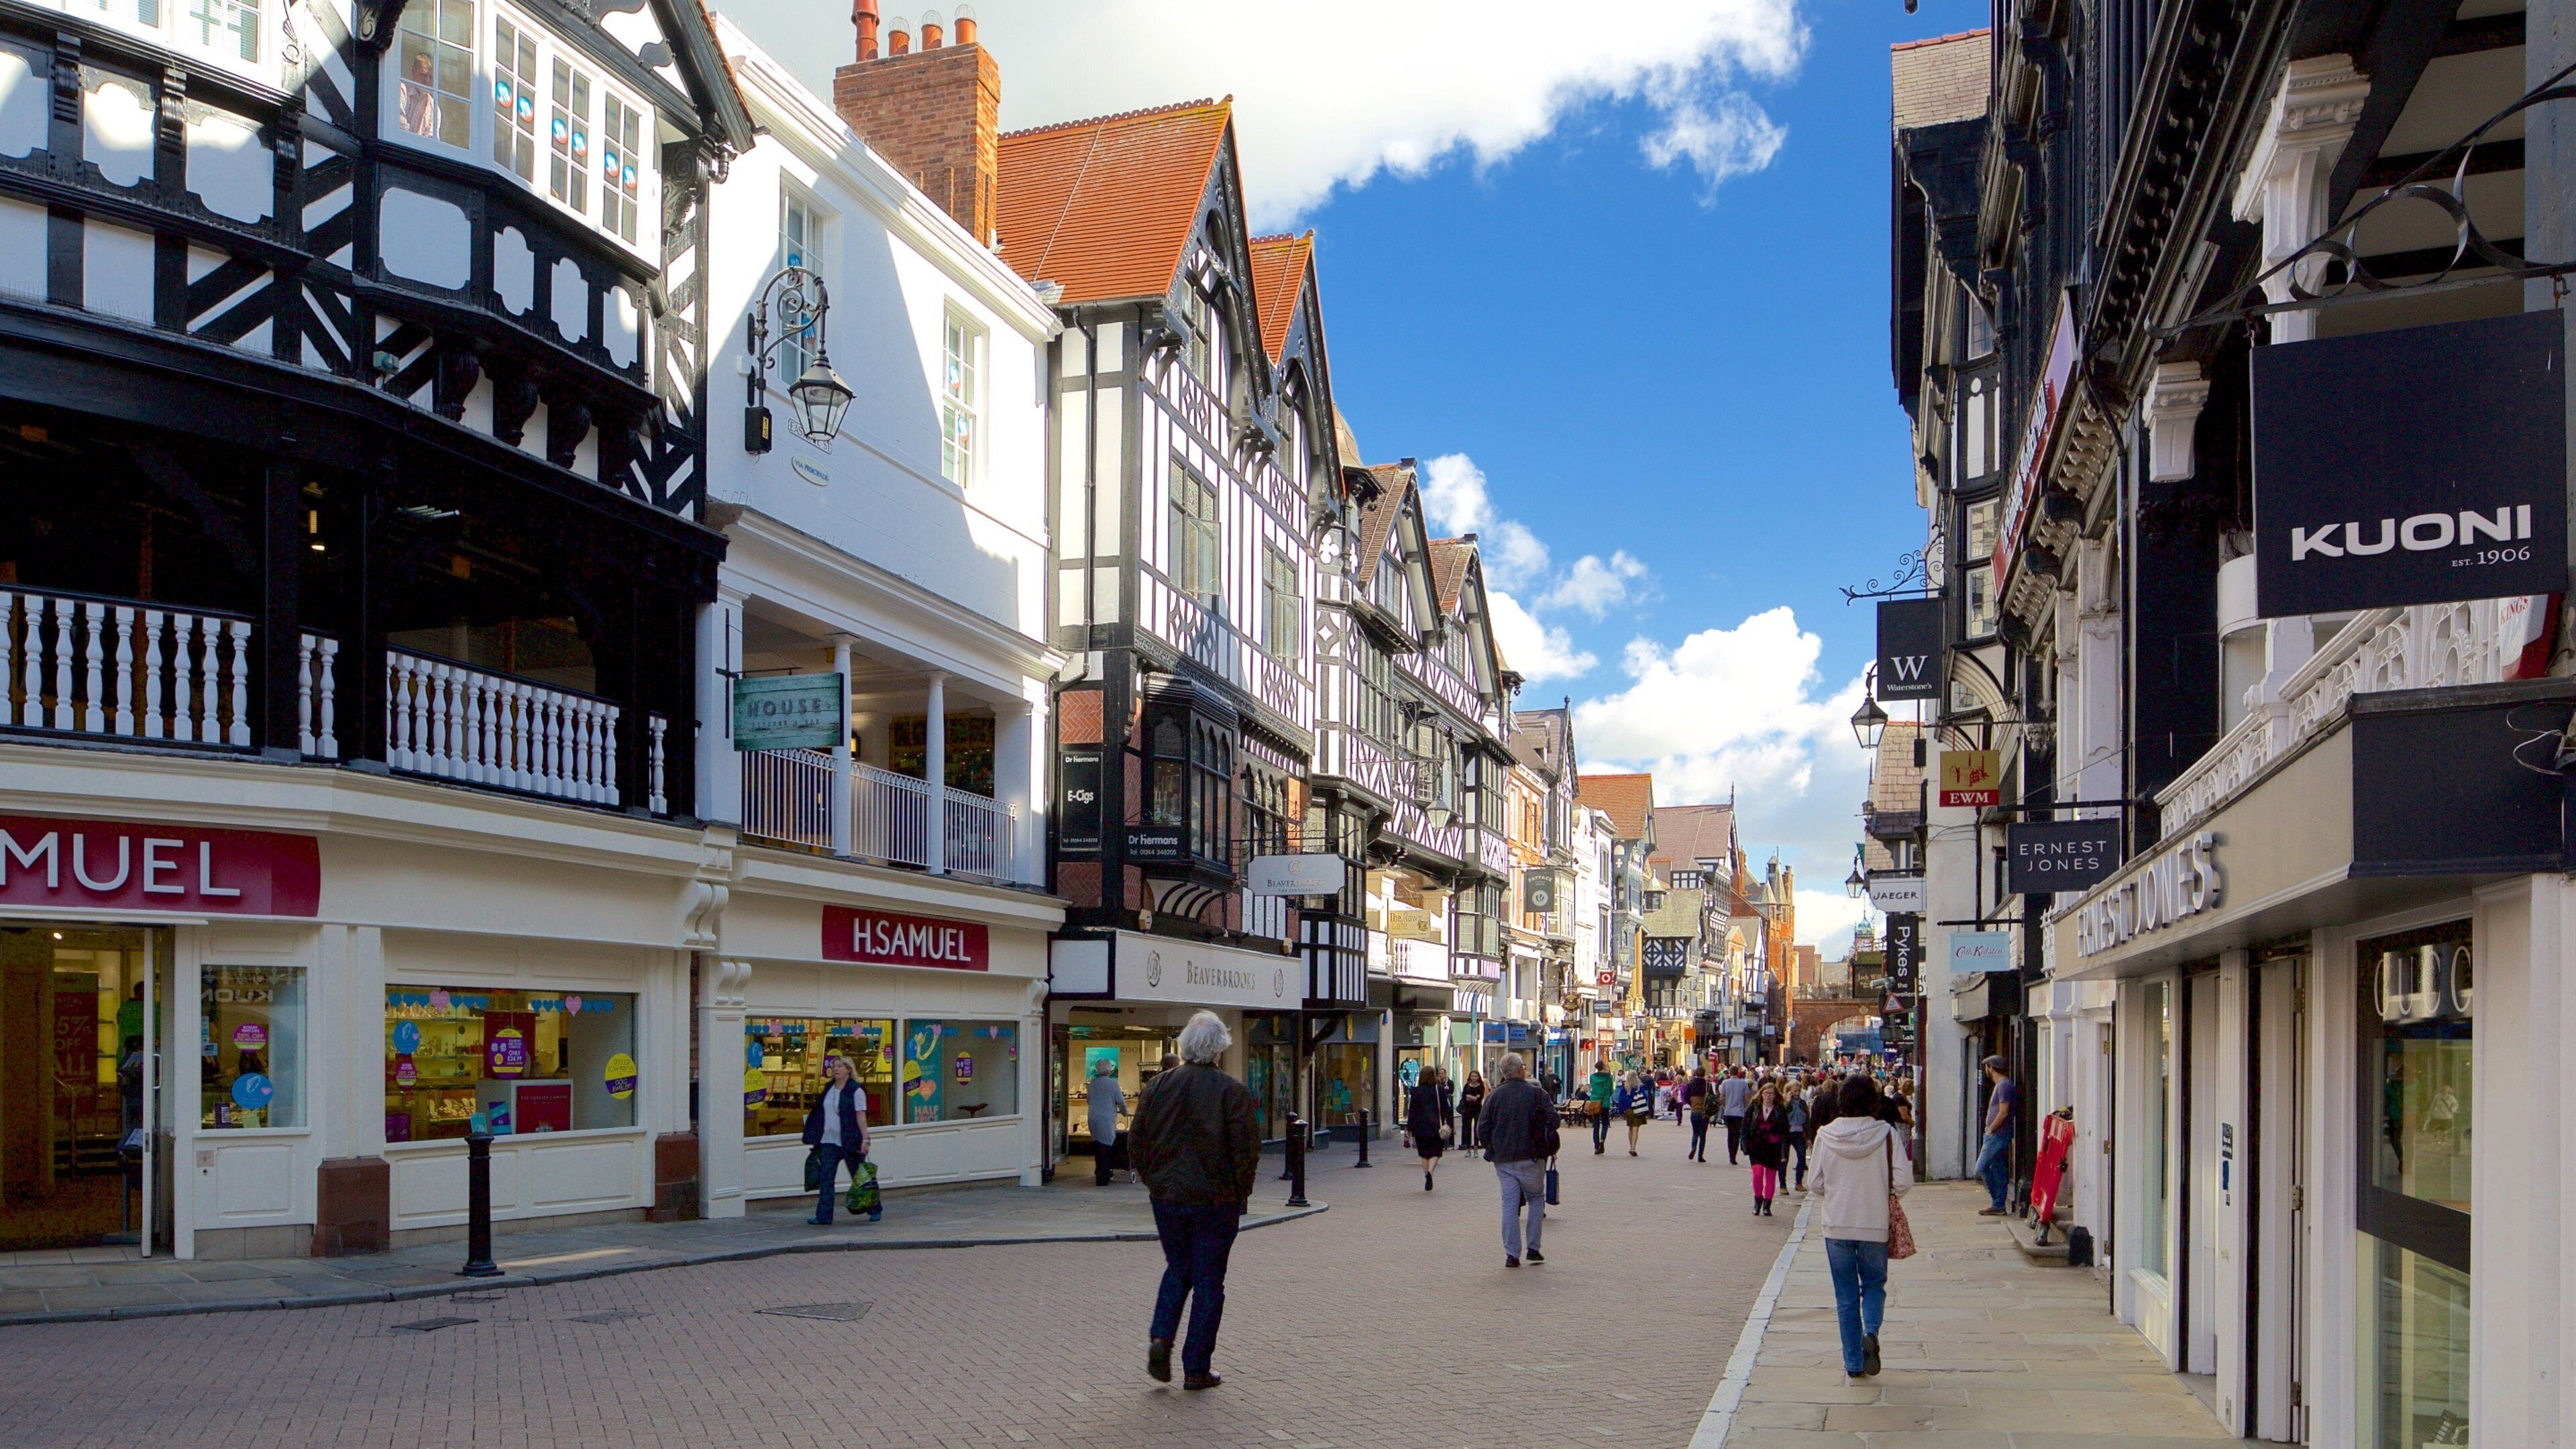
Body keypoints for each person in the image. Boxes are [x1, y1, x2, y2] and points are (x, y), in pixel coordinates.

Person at [1129, 1011, 1261, 1391]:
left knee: (1178, 1268)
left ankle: (1161, 1337)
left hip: (1168, 1197)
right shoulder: (1231, 1092)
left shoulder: (1158, 1087)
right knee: (1209, 1281)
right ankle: (1197, 1367)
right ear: (1219, 1048)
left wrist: (1155, 1182)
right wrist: (1241, 1192)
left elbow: (1137, 1142)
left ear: (1184, 1046)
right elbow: (1245, 1150)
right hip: (1215, 1200)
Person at [1811, 1075, 1911, 1378]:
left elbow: (1814, 1183)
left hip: (1837, 1226)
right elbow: (1904, 1181)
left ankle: (1854, 1364)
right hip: (1874, 1223)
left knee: (1845, 1297)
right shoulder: (1886, 1134)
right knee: (1873, 1286)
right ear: (1873, 1101)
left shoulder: (1825, 1135)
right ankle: (1871, 1332)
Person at [1478, 1052, 1560, 1267]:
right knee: (1535, 1200)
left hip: (1504, 1160)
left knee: (1509, 1204)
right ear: (1521, 1070)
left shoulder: (1494, 1096)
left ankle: (1512, 1254)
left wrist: (1493, 1148)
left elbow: (1482, 1129)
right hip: (1532, 1157)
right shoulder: (1537, 1094)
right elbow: (1555, 1120)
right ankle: (1533, 1248)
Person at [800, 1054, 872, 1225]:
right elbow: (819, 1113)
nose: (836, 1069)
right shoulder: (829, 1088)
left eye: (840, 1066)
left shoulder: (856, 1090)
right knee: (826, 1178)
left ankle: (874, 1208)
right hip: (828, 1142)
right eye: (835, 1066)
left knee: (859, 1177)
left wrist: (865, 1139)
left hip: (850, 1141)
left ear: (849, 1070)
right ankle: (824, 1216)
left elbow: (861, 1116)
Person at [1976, 1055, 2017, 1217]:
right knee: (1998, 1169)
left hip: (1997, 1135)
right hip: (1998, 1134)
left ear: (1991, 1068)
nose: (1986, 1070)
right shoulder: (2002, 1085)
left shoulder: (2004, 1086)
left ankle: (1997, 1200)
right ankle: (1998, 1204)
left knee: (1981, 1167)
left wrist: (1991, 1128)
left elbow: (2004, 1112)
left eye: (1987, 1067)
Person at [1744, 1080, 1792, 1216]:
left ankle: (1767, 1205)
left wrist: (1784, 1152)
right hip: (1757, 1147)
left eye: (1771, 1094)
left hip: (1773, 1147)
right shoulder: (1754, 1108)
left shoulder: (1780, 1110)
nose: (1768, 1096)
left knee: (1771, 1177)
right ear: (1762, 1094)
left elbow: (1784, 1133)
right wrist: (1745, 1145)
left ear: (1775, 1095)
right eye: (1766, 1093)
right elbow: (1745, 1127)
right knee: (1758, 1174)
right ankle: (1757, 1200)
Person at [1406, 1065, 1454, 1190]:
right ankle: (1430, 1173)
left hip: (1420, 1128)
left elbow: (1412, 1111)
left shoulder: (1416, 1091)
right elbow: (1447, 1110)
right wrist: (1450, 1124)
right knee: (1435, 1152)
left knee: (1424, 1153)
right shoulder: (1439, 1090)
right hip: (1435, 1127)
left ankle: (1426, 1173)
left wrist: (1409, 1128)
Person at [1087, 1057, 1126, 1187]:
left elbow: (1089, 1100)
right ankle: (1104, 1174)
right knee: (1107, 1145)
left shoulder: (1093, 1083)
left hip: (1093, 1117)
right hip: (1107, 1118)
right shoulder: (1113, 1084)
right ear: (1110, 1070)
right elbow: (1121, 1101)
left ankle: (1100, 1170)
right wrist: (1124, 1112)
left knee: (1097, 1144)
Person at [1717, 1065, 1752, 1165]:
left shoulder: (1725, 1083)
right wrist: (1745, 1107)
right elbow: (1747, 1098)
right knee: (1737, 1134)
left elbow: (1722, 1098)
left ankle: (1730, 1154)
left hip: (1728, 1112)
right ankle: (1734, 1155)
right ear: (1738, 1073)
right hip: (1739, 1112)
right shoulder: (1743, 1084)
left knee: (1730, 1133)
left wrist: (1725, 1106)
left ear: (1729, 1073)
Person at [1786, 1078, 1812, 1191]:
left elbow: (1807, 1120)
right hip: (1787, 1133)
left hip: (1800, 1132)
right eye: (1794, 1091)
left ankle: (1799, 1183)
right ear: (1789, 1091)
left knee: (1801, 1157)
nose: (1797, 1093)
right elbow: (1783, 1116)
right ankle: (1783, 1185)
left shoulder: (1802, 1103)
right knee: (1784, 1159)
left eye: (1798, 1091)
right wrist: (1788, 1102)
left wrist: (1809, 1137)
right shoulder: (1785, 1103)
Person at [1684, 1066, 1713, 1163]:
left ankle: (1693, 1147)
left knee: (1695, 1132)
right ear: (1704, 1074)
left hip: (1694, 1111)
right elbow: (1712, 1098)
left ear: (1695, 1073)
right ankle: (1700, 1156)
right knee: (1703, 1135)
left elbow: (1686, 1097)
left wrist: (1692, 1104)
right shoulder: (1707, 1085)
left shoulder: (1690, 1084)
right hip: (1704, 1112)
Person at [1587, 1059, 1616, 1154]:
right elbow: (1611, 1090)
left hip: (1595, 1102)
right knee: (1605, 1123)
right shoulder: (1609, 1078)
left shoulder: (1592, 1077)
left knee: (1596, 1125)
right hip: (1605, 1102)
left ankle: (1596, 1146)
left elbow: (1592, 1088)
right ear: (1603, 1067)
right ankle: (1602, 1140)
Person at [1456, 1070, 1487, 1156]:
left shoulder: (1481, 1087)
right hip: (1467, 1110)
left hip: (1477, 1110)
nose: (1473, 1078)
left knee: (1476, 1129)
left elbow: (1479, 1100)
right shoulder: (1467, 1086)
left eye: (1475, 1076)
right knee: (1467, 1130)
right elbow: (1464, 1098)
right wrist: (1474, 1097)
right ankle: (1469, 1149)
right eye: (1472, 1076)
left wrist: (1470, 1096)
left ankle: (1476, 1149)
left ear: (1478, 1077)